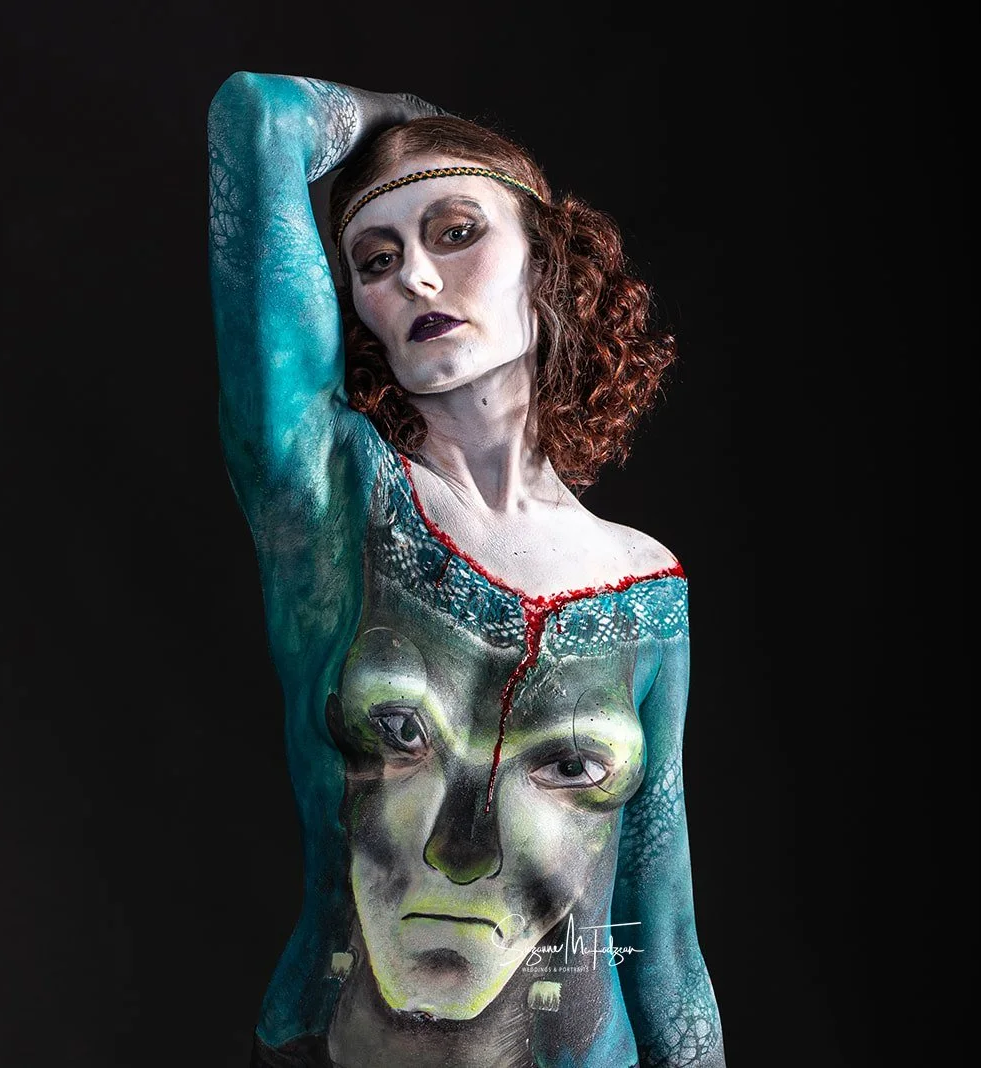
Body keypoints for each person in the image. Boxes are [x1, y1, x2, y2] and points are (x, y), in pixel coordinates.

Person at [208, 70, 726, 1068]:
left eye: (456, 232)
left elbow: (663, 941)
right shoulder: (326, 498)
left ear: (547, 261)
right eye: (376, 258)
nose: (415, 277)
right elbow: (260, 117)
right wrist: (412, 123)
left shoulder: (647, 587)